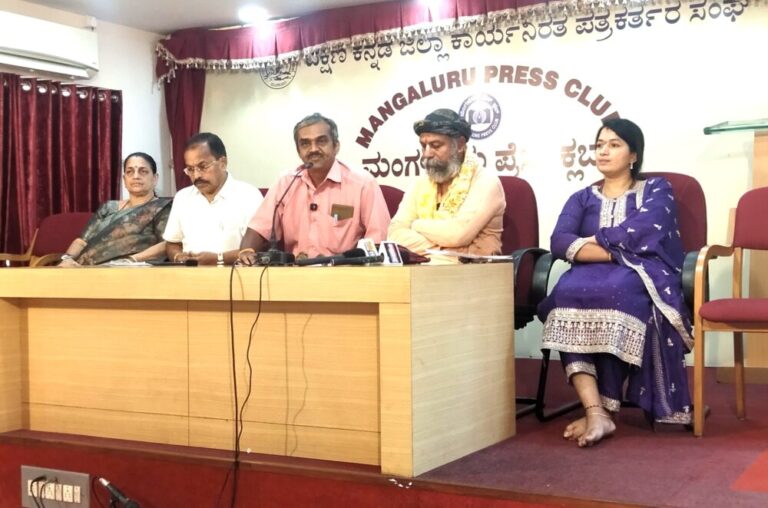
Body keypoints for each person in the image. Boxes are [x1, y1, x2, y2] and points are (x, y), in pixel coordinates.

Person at [537, 118, 693, 447]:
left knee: (615, 293)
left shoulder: (656, 189)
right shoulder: (582, 197)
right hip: (590, 273)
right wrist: (615, 253)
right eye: (599, 145)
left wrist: (593, 243)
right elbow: (560, 241)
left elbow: (645, 232)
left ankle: (602, 411)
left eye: (614, 144)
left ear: (633, 155)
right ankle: (595, 411)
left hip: (640, 273)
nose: (603, 151)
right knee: (564, 293)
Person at [239, 113, 390, 263]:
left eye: (321, 141)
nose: (313, 149)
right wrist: (246, 252)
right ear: (298, 150)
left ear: (336, 146)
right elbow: (258, 229)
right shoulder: (285, 183)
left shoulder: (362, 183)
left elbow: (378, 240)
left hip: (344, 271)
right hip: (296, 271)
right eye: (305, 144)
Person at [387, 108, 505, 263]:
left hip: (474, 271)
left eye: (436, 145)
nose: (426, 154)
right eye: (423, 146)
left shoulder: (485, 182)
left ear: (460, 144)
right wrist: (449, 251)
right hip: (427, 267)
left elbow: (457, 235)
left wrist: (416, 225)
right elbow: (394, 235)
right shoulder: (420, 184)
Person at [164, 132, 263, 265]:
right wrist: (178, 257)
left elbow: (257, 248)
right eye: (190, 169)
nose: (196, 175)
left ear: (223, 163)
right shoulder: (182, 197)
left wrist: (218, 259)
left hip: (234, 273)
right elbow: (172, 243)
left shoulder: (248, 195)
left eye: (203, 167)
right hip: (189, 274)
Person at [58, 152, 172, 266]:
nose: (136, 176)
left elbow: (167, 244)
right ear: (124, 179)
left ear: (155, 178)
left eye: (143, 171)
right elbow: (82, 241)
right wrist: (66, 259)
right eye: (130, 172)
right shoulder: (109, 207)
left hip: (126, 270)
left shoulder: (162, 207)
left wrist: (130, 260)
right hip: (83, 268)